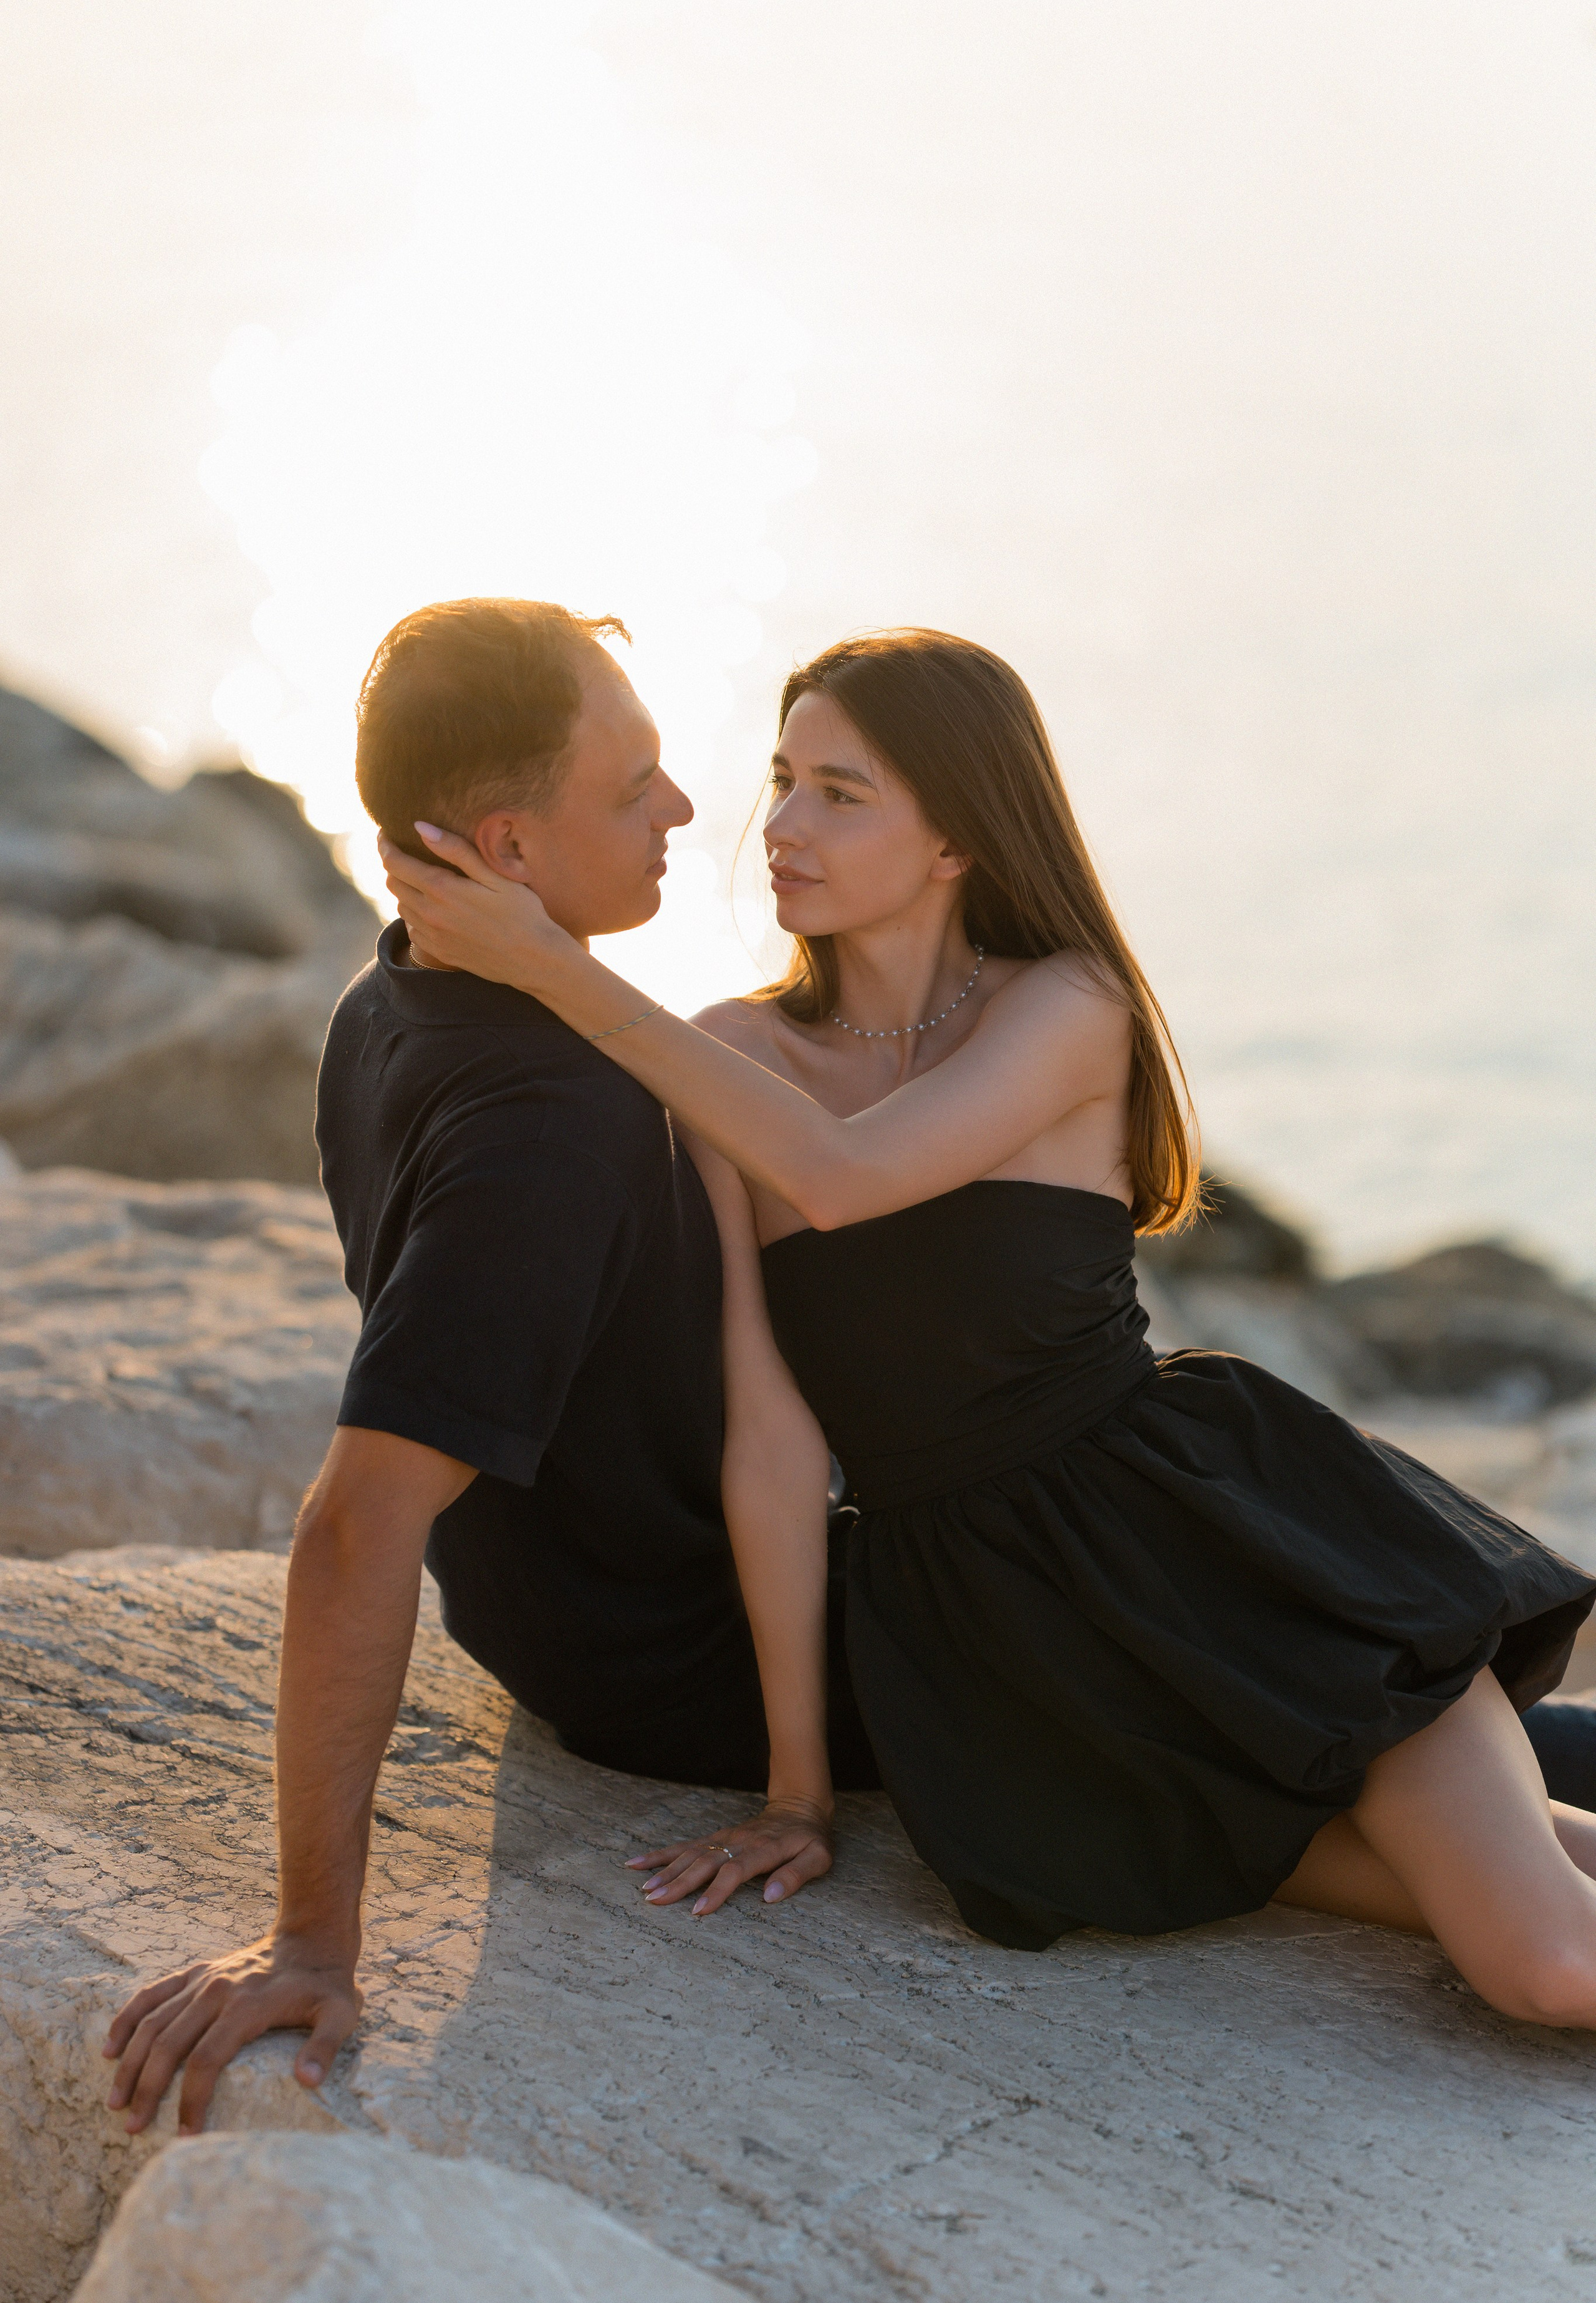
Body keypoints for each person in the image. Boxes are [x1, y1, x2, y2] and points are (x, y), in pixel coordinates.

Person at [380, 624, 1596, 2028]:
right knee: (1524, 1892)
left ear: (956, 837)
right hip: (1007, 1659)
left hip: (1230, 1563)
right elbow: (770, 1441)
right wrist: (796, 1794)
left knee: (1545, 1959)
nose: (777, 826)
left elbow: (846, 1179)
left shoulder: (1064, 1007)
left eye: (839, 792)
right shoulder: (730, 1055)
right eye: (781, 779)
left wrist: (551, 968)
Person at [102, 597, 876, 2140]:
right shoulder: (548, 1123)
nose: (677, 809)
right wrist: (314, 1937)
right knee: (1267, 1649)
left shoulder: (385, 1000)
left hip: (597, 1608)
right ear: (508, 851)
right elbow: (356, 1516)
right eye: (629, 784)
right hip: (709, 1646)